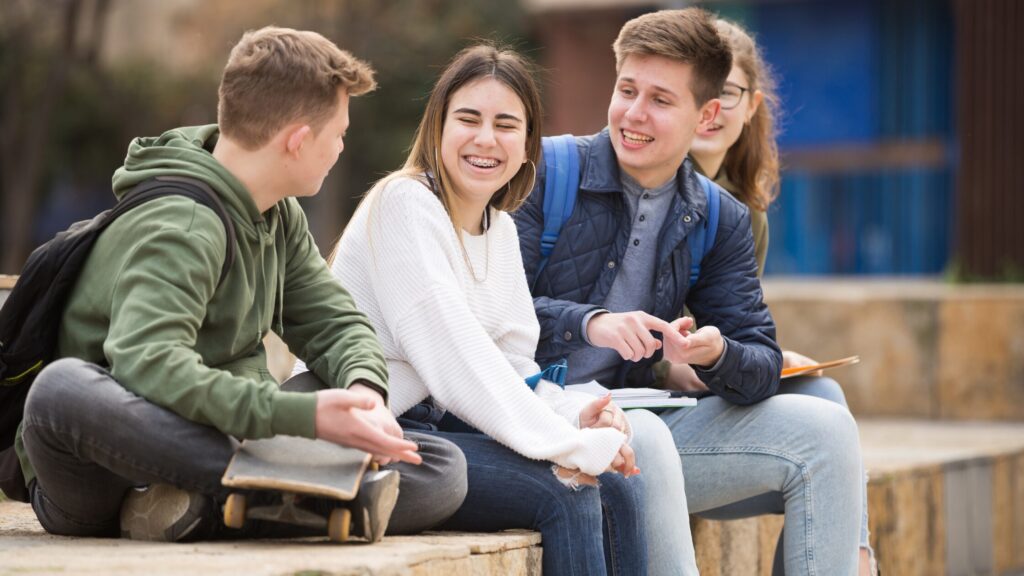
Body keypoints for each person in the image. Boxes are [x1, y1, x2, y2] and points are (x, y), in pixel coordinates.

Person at [14, 26, 467, 543]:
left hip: (224, 435)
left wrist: (364, 390)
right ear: (297, 141)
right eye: (338, 132)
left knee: (443, 469)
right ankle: (290, 493)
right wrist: (303, 419)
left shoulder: (278, 213)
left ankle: (210, 505)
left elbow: (335, 323)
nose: (342, 146)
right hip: (111, 464)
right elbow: (147, 366)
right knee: (59, 391)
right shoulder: (180, 227)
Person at [297, 43, 694, 575]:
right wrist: (570, 444)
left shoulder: (499, 229)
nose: (486, 139)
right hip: (374, 428)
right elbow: (454, 359)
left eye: (506, 125)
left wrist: (572, 413)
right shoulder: (405, 204)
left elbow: (510, 365)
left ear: (528, 146)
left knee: (619, 487)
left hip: (444, 426)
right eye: (468, 119)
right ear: (438, 127)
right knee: (568, 491)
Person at [514, 8, 865, 575]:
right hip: (529, 426)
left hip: (637, 433)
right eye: (627, 89)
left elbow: (759, 354)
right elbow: (491, 315)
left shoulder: (718, 216)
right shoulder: (545, 172)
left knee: (826, 428)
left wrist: (716, 353)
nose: (633, 112)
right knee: (645, 434)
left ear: (705, 115)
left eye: (659, 99)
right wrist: (592, 321)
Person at [686, 18, 876, 575]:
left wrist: (767, 360)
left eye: (726, 92)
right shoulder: (657, 194)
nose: (711, 107)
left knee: (824, 395)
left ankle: (853, 559)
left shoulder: (746, 214)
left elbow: (735, 327)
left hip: (711, 393)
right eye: (699, 92)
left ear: (751, 105)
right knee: (827, 423)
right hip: (662, 403)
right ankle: (860, 563)